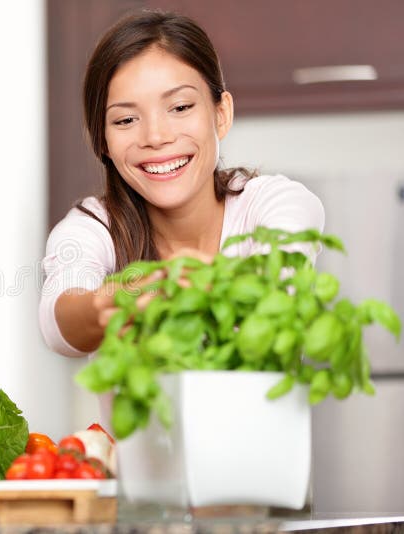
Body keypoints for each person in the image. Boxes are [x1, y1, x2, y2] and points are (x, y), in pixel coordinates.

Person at [39, 12, 324, 371]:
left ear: (221, 114)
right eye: (126, 120)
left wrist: (203, 285)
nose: (156, 137)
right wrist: (110, 303)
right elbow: (58, 320)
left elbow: (279, 283)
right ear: (104, 141)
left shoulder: (274, 204)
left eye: (180, 107)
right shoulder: (92, 227)